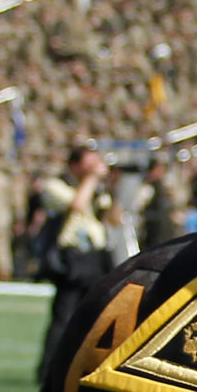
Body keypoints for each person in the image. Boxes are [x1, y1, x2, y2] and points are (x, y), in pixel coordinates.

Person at [36, 145, 115, 374]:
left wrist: (115, 185)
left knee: (97, 316)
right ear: (74, 165)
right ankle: (50, 369)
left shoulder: (98, 190)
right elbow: (77, 205)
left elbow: (112, 217)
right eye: (88, 164)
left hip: (95, 256)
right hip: (72, 257)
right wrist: (91, 178)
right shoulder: (56, 186)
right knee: (64, 315)